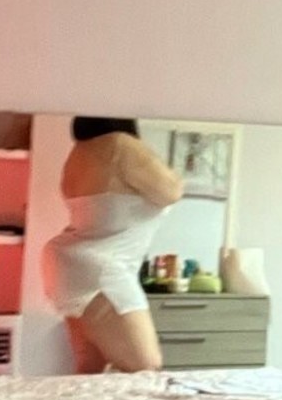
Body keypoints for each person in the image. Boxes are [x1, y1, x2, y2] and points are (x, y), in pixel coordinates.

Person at [42, 118, 184, 374]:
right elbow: (173, 190)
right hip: (100, 268)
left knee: (91, 368)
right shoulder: (120, 145)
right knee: (145, 367)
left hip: (71, 264)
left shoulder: (80, 151)